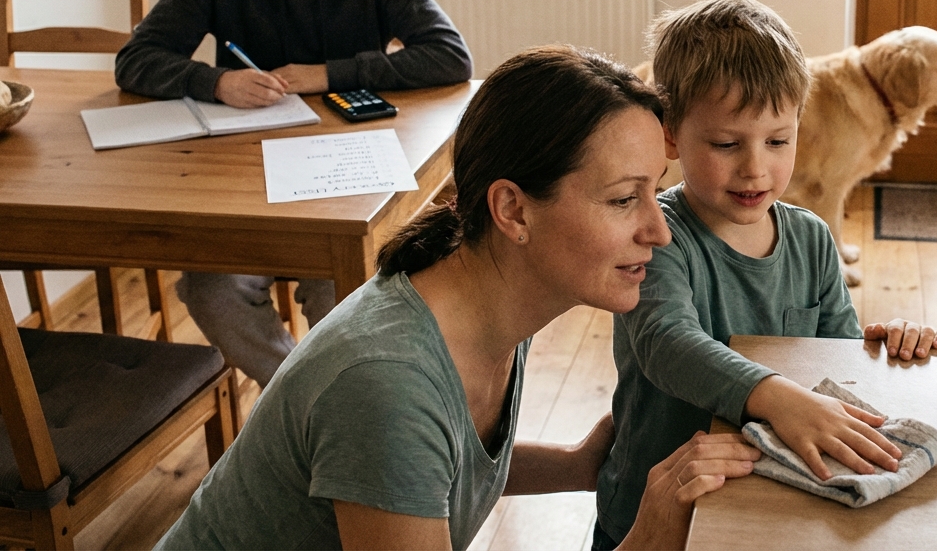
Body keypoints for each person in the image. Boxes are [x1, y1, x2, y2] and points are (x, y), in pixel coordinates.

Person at [155, 46, 761, 551]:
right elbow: (407, 436)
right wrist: (648, 540)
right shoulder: (387, 383)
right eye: (624, 199)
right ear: (513, 210)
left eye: (656, 192)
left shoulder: (484, 295)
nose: (659, 230)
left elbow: (436, 469)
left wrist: (578, 464)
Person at [113, 0, 474, 386]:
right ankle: (304, 402)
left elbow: (451, 57)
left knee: (343, 289)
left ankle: (332, 408)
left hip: (348, 179)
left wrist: (325, 73)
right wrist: (216, 82)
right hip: (245, 185)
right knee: (211, 288)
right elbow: (135, 60)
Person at [593, 0, 937, 550]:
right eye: (726, 143)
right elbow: (667, 343)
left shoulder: (810, 238)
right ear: (670, 135)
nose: (756, 167)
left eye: (778, 140)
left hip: (777, 503)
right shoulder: (655, 235)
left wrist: (885, 345)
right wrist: (778, 396)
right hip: (656, 515)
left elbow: (837, 358)